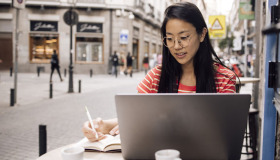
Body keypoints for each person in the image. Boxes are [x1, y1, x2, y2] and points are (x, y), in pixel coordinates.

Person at [82, 2, 237, 142]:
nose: (176, 46)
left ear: (202, 34)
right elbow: (136, 116)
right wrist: (103, 125)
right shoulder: (156, 76)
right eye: (169, 39)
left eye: (183, 37)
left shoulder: (224, 78)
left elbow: (225, 136)